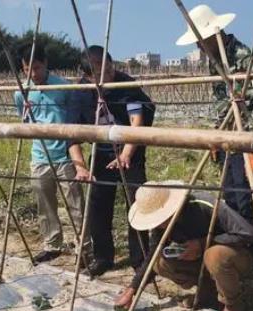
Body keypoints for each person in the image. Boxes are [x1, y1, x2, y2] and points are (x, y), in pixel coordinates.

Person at [176, 4, 253, 224]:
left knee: (246, 195)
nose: (199, 46)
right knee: (229, 192)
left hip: (246, 134)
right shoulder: (215, 59)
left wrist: (252, 144)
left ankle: (251, 244)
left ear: (215, 34)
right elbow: (222, 102)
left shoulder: (243, 58)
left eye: (201, 41)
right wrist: (216, 136)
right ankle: (238, 242)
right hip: (227, 134)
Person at [118, 181, 253, 311]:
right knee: (159, 262)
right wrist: (132, 289)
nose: (159, 225)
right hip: (202, 261)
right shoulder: (160, 226)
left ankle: (233, 305)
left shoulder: (204, 204)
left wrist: (202, 244)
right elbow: (153, 254)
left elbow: (249, 233)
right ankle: (208, 292)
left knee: (214, 255)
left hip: (238, 256)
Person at [73, 46, 156, 278]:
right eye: (101, 74)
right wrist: (80, 166)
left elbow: (136, 120)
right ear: (88, 76)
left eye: (110, 69)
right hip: (101, 153)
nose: (109, 76)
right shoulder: (80, 93)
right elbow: (71, 136)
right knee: (98, 205)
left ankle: (140, 260)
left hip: (131, 150)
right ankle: (103, 257)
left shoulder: (124, 85)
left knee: (137, 203)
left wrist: (126, 154)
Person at [14, 44, 92, 264]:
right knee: (45, 205)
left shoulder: (64, 87)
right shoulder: (21, 92)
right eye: (27, 69)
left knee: (76, 206)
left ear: (45, 63)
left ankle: (84, 249)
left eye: (37, 68)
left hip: (65, 155)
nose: (33, 74)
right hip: (39, 155)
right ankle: (52, 245)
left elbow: (74, 120)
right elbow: (25, 121)